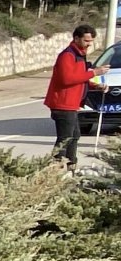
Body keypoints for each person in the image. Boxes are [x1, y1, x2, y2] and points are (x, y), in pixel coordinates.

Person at [44, 25, 108, 173]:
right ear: (76, 38)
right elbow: (67, 79)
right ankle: (56, 168)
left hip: (72, 104)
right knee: (65, 138)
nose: (89, 44)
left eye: (91, 41)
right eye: (86, 40)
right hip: (63, 104)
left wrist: (95, 86)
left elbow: (79, 79)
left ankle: (70, 166)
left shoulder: (79, 54)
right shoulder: (68, 55)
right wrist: (95, 73)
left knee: (74, 135)